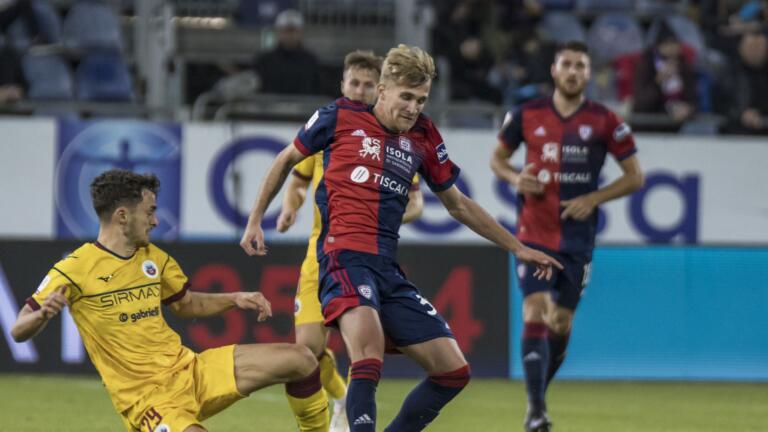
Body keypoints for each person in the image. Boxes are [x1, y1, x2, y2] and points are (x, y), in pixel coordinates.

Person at [241, 43, 561, 432]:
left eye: (421, 99)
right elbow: (286, 159)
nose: (413, 107)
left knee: (453, 371)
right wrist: (255, 219)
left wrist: (518, 248)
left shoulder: (424, 135)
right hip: (342, 258)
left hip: (387, 270)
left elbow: (458, 205)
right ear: (382, 91)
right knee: (368, 353)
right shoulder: (338, 116)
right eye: (406, 96)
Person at [11, 169, 318, 432]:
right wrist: (40, 317)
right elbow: (18, 329)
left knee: (301, 360)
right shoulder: (75, 268)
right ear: (122, 216)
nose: (155, 221)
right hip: (147, 399)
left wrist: (236, 298)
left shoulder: (154, 259)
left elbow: (188, 305)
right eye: (149, 211)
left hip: (193, 370)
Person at [490, 41, 644, 432]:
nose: (573, 71)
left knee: (559, 323)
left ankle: (539, 395)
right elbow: (498, 159)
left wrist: (594, 197)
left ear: (588, 74)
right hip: (533, 232)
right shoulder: (526, 114)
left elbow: (634, 177)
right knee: (536, 310)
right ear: (555, 71)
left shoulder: (606, 120)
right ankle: (536, 409)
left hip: (577, 239)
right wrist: (515, 177)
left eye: (581, 66)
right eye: (567, 64)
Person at [275, 49, 424, 432]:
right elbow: (297, 179)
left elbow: (416, 202)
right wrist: (289, 208)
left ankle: (353, 410)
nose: (358, 91)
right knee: (307, 349)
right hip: (318, 255)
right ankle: (341, 398)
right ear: (342, 84)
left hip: (365, 255)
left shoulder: (395, 139)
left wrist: (380, 212)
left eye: (366, 85)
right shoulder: (330, 128)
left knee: (365, 351)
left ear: (380, 89)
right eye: (352, 83)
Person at [632, 21, 697, 126]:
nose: (671, 48)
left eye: (674, 43)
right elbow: (640, 106)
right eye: (666, 44)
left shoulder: (685, 67)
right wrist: (658, 82)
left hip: (679, 126)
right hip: (651, 125)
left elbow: (694, 100)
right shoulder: (646, 66)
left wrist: (688, 109)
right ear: (658, 47)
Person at [253, 8, 322, 95]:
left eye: (293, 31)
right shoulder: (264, 60)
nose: (290, 35)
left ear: (301, 32)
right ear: (278, 32)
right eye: (286, 31)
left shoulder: (311, 61)